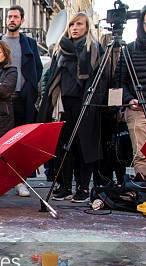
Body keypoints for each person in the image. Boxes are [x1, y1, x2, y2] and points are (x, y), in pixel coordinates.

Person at [38, 13, 104, 203]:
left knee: (85, 145)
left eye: (79, 24)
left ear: (86, 26)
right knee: (64, 146)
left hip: (86, 102)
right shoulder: (60, 50)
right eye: (72, 24)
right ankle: (65, 185)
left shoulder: (93, 48)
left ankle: (83, 187)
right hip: (63, 103)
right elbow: (51, 78)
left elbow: (99, 77)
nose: (75, 28)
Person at [0, 5, 43, 197]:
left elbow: (37, 69)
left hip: (23, 98)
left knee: (20, 142)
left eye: (15, 17)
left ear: (21, 20)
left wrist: (30, 89)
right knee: (1, 141)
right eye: (9, 16)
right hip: (2, 99)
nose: (12, 19)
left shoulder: (29, 43)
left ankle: (20, 181)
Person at [120, 4, 146, 181]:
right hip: (138, 109)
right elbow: (119, 82)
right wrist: (129, 99)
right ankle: (145, 191)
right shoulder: (129, 50)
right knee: (142, 154)